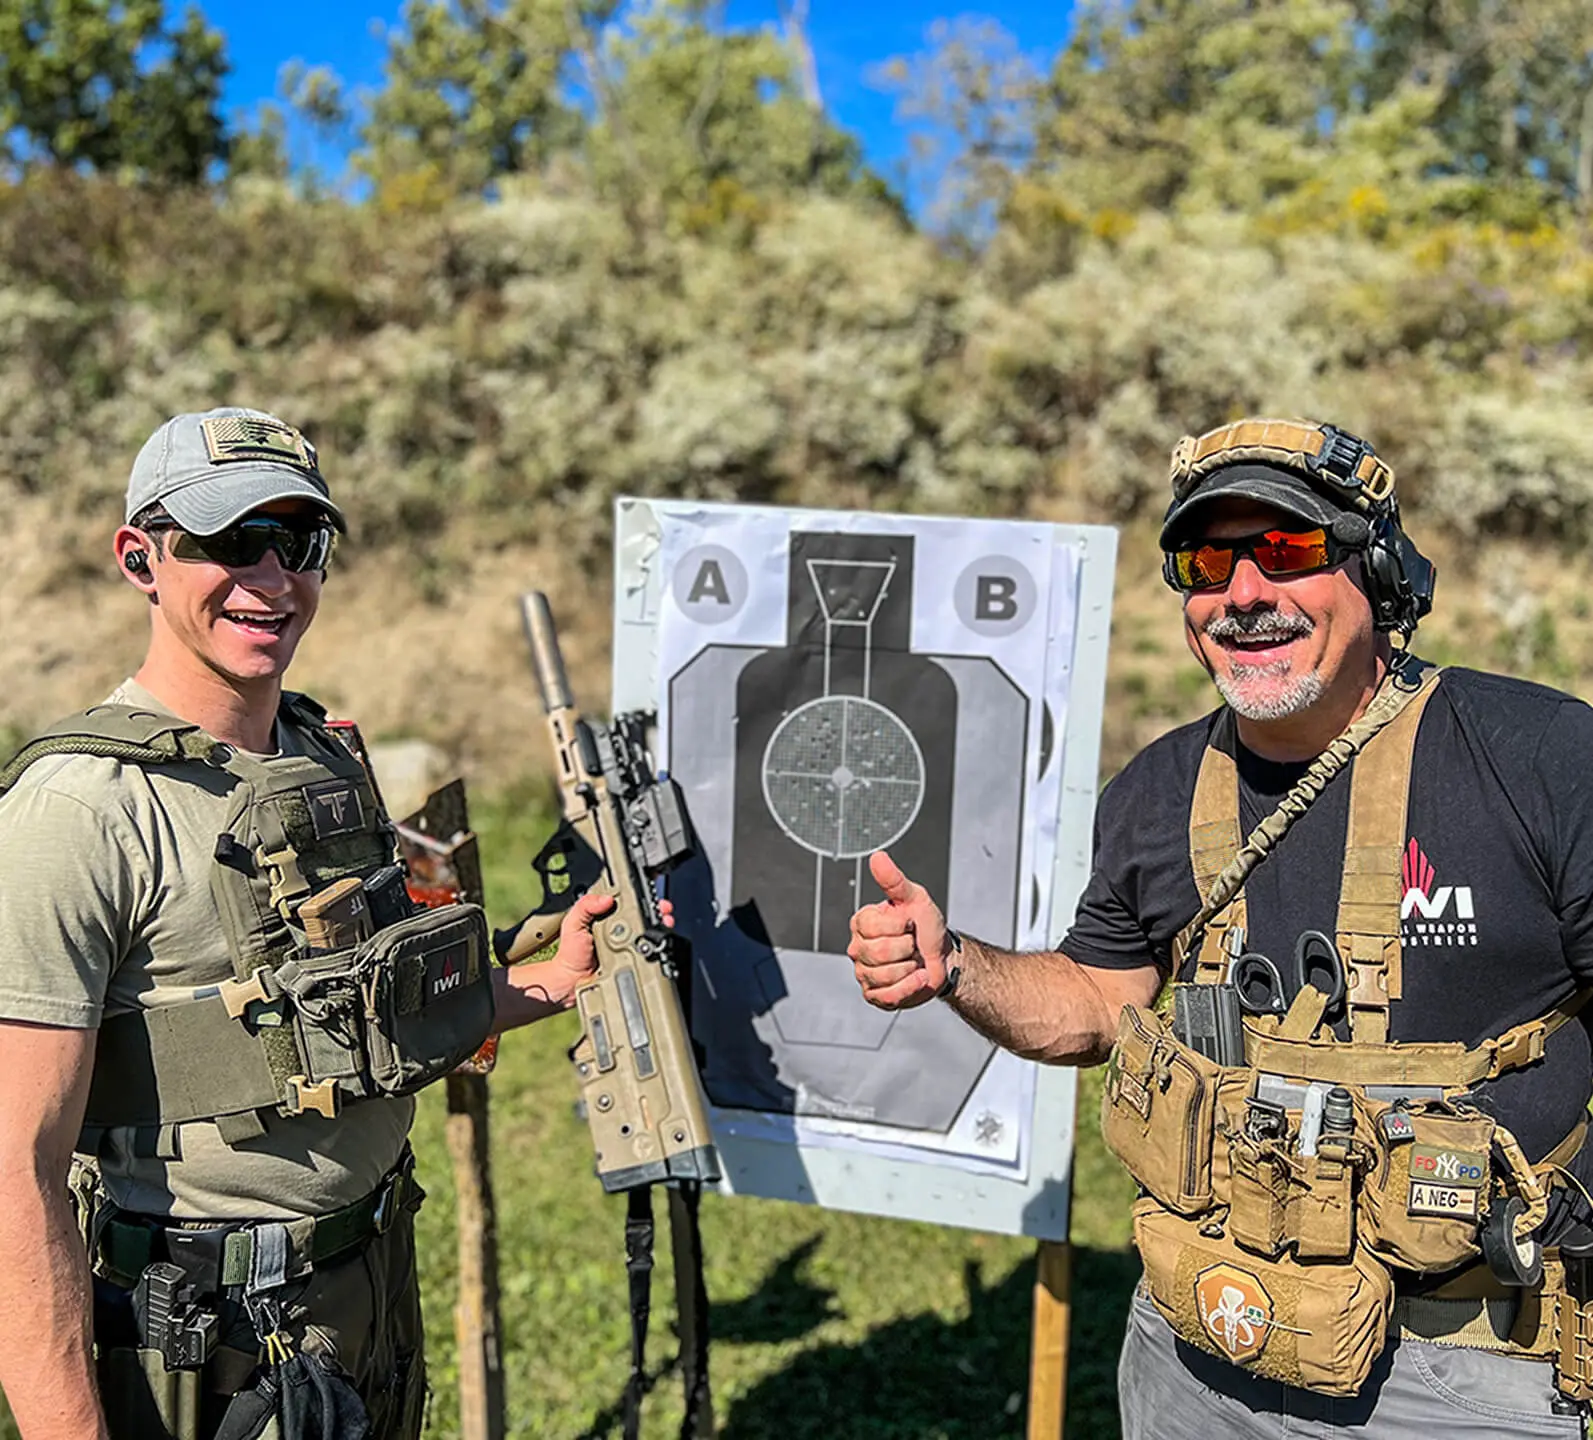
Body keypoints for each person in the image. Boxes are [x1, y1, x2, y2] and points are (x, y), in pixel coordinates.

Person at [848, 416, 1593, 1437]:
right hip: (1196, 1345)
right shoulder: (1155, 791)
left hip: (1460, 1373)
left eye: (1286, 550)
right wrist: (954, 966)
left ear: (1377, 573)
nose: (1244, 594)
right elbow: (1102, 1002)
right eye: (1208, 562)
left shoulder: (1543, 758)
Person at [0, 407, 622, 1440]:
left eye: (301, 542)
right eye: (232, 540)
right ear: (139, 558)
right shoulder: (78, 811)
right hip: (210, 1335)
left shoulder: (320, 755)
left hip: (365, 1296)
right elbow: (15, 1177)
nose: (273, 578)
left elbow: (348, 1024)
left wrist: (542, 984)